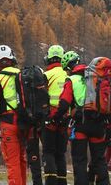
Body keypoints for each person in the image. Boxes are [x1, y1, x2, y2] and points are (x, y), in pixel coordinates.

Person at [51, 51, 109, 185]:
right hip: (99, 123)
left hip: (80, 125)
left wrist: (55, 117)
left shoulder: (71, 80)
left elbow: (64, 103)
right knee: (99, 160)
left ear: (68, 68)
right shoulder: (96, 77)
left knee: (79, 161)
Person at [0, 44, 28, 185]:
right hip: (25, 123)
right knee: (22, 160)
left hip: (9, 124)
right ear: (11, 59)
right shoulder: (22, 75)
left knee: (12, 161)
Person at [43, 44, 69, 185]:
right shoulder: (68, 75)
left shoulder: (46, 75)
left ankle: (50, 182)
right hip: (65, 118)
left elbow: (41, 97)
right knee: (61, 154)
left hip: (50, 118)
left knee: (48, 152)